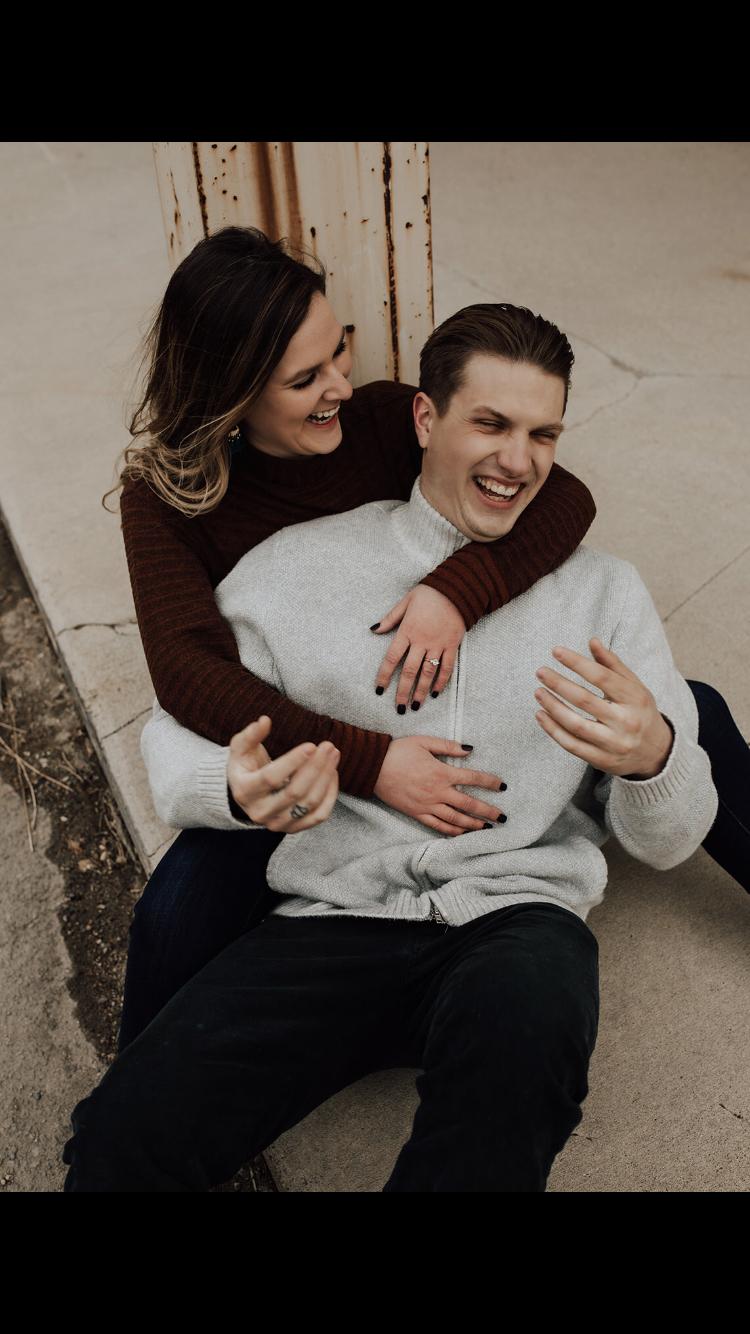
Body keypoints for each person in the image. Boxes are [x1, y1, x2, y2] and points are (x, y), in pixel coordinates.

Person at [63, 302, 719, 1192]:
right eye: (490, 423)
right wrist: (235, 784)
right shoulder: (292, 570)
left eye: (543, 434)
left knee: (518, 1072)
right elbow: (175, 737)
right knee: (119, 1140)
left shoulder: (603, 595)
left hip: (515, 920)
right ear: (424, 419)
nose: (518, 460)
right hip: (329, 920)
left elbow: (672, 838)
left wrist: (654, 759)